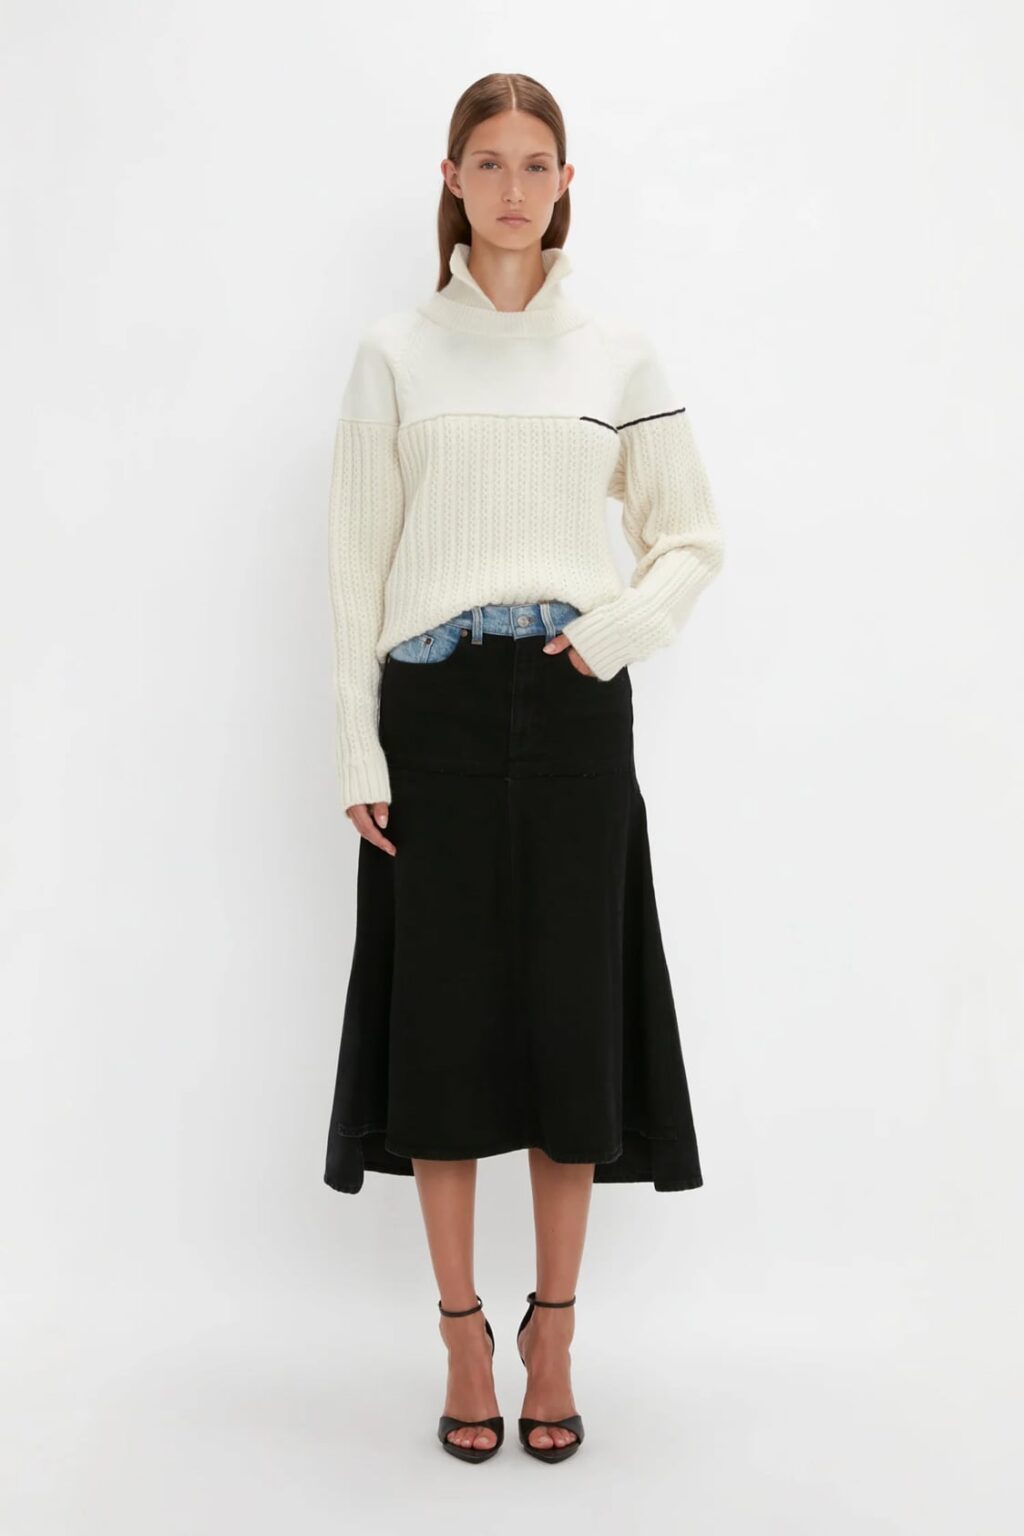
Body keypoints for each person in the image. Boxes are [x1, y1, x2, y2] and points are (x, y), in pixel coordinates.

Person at [322, 72, 724, 1464]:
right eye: (486, 162)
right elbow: (355, 561)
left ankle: (554, 1328)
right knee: (441, 1035)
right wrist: (357, 738)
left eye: (535, 162)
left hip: (570, 707)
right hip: (430, 712)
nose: (511, 186)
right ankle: (460, 1334)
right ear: (451, 179)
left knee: (571, 1022)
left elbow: (692, 538)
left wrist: (610, 638)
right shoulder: (395, 353)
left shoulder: (616, 356)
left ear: (566, 183)